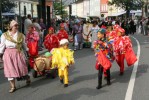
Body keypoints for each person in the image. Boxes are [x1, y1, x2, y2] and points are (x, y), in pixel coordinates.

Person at [0, 20, 31, 93]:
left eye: (17, 25)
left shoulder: (21, 35)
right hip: (8, 54)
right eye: (15, 25)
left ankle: (27, 78)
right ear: (11, 27)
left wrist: (27, 51)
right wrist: (0, 54)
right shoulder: (4, 35)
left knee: (22, 67)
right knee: (10, 70)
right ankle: (13, 86)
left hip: (18, 53)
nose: (17, 27)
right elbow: (2, 46)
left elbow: (24, 45)